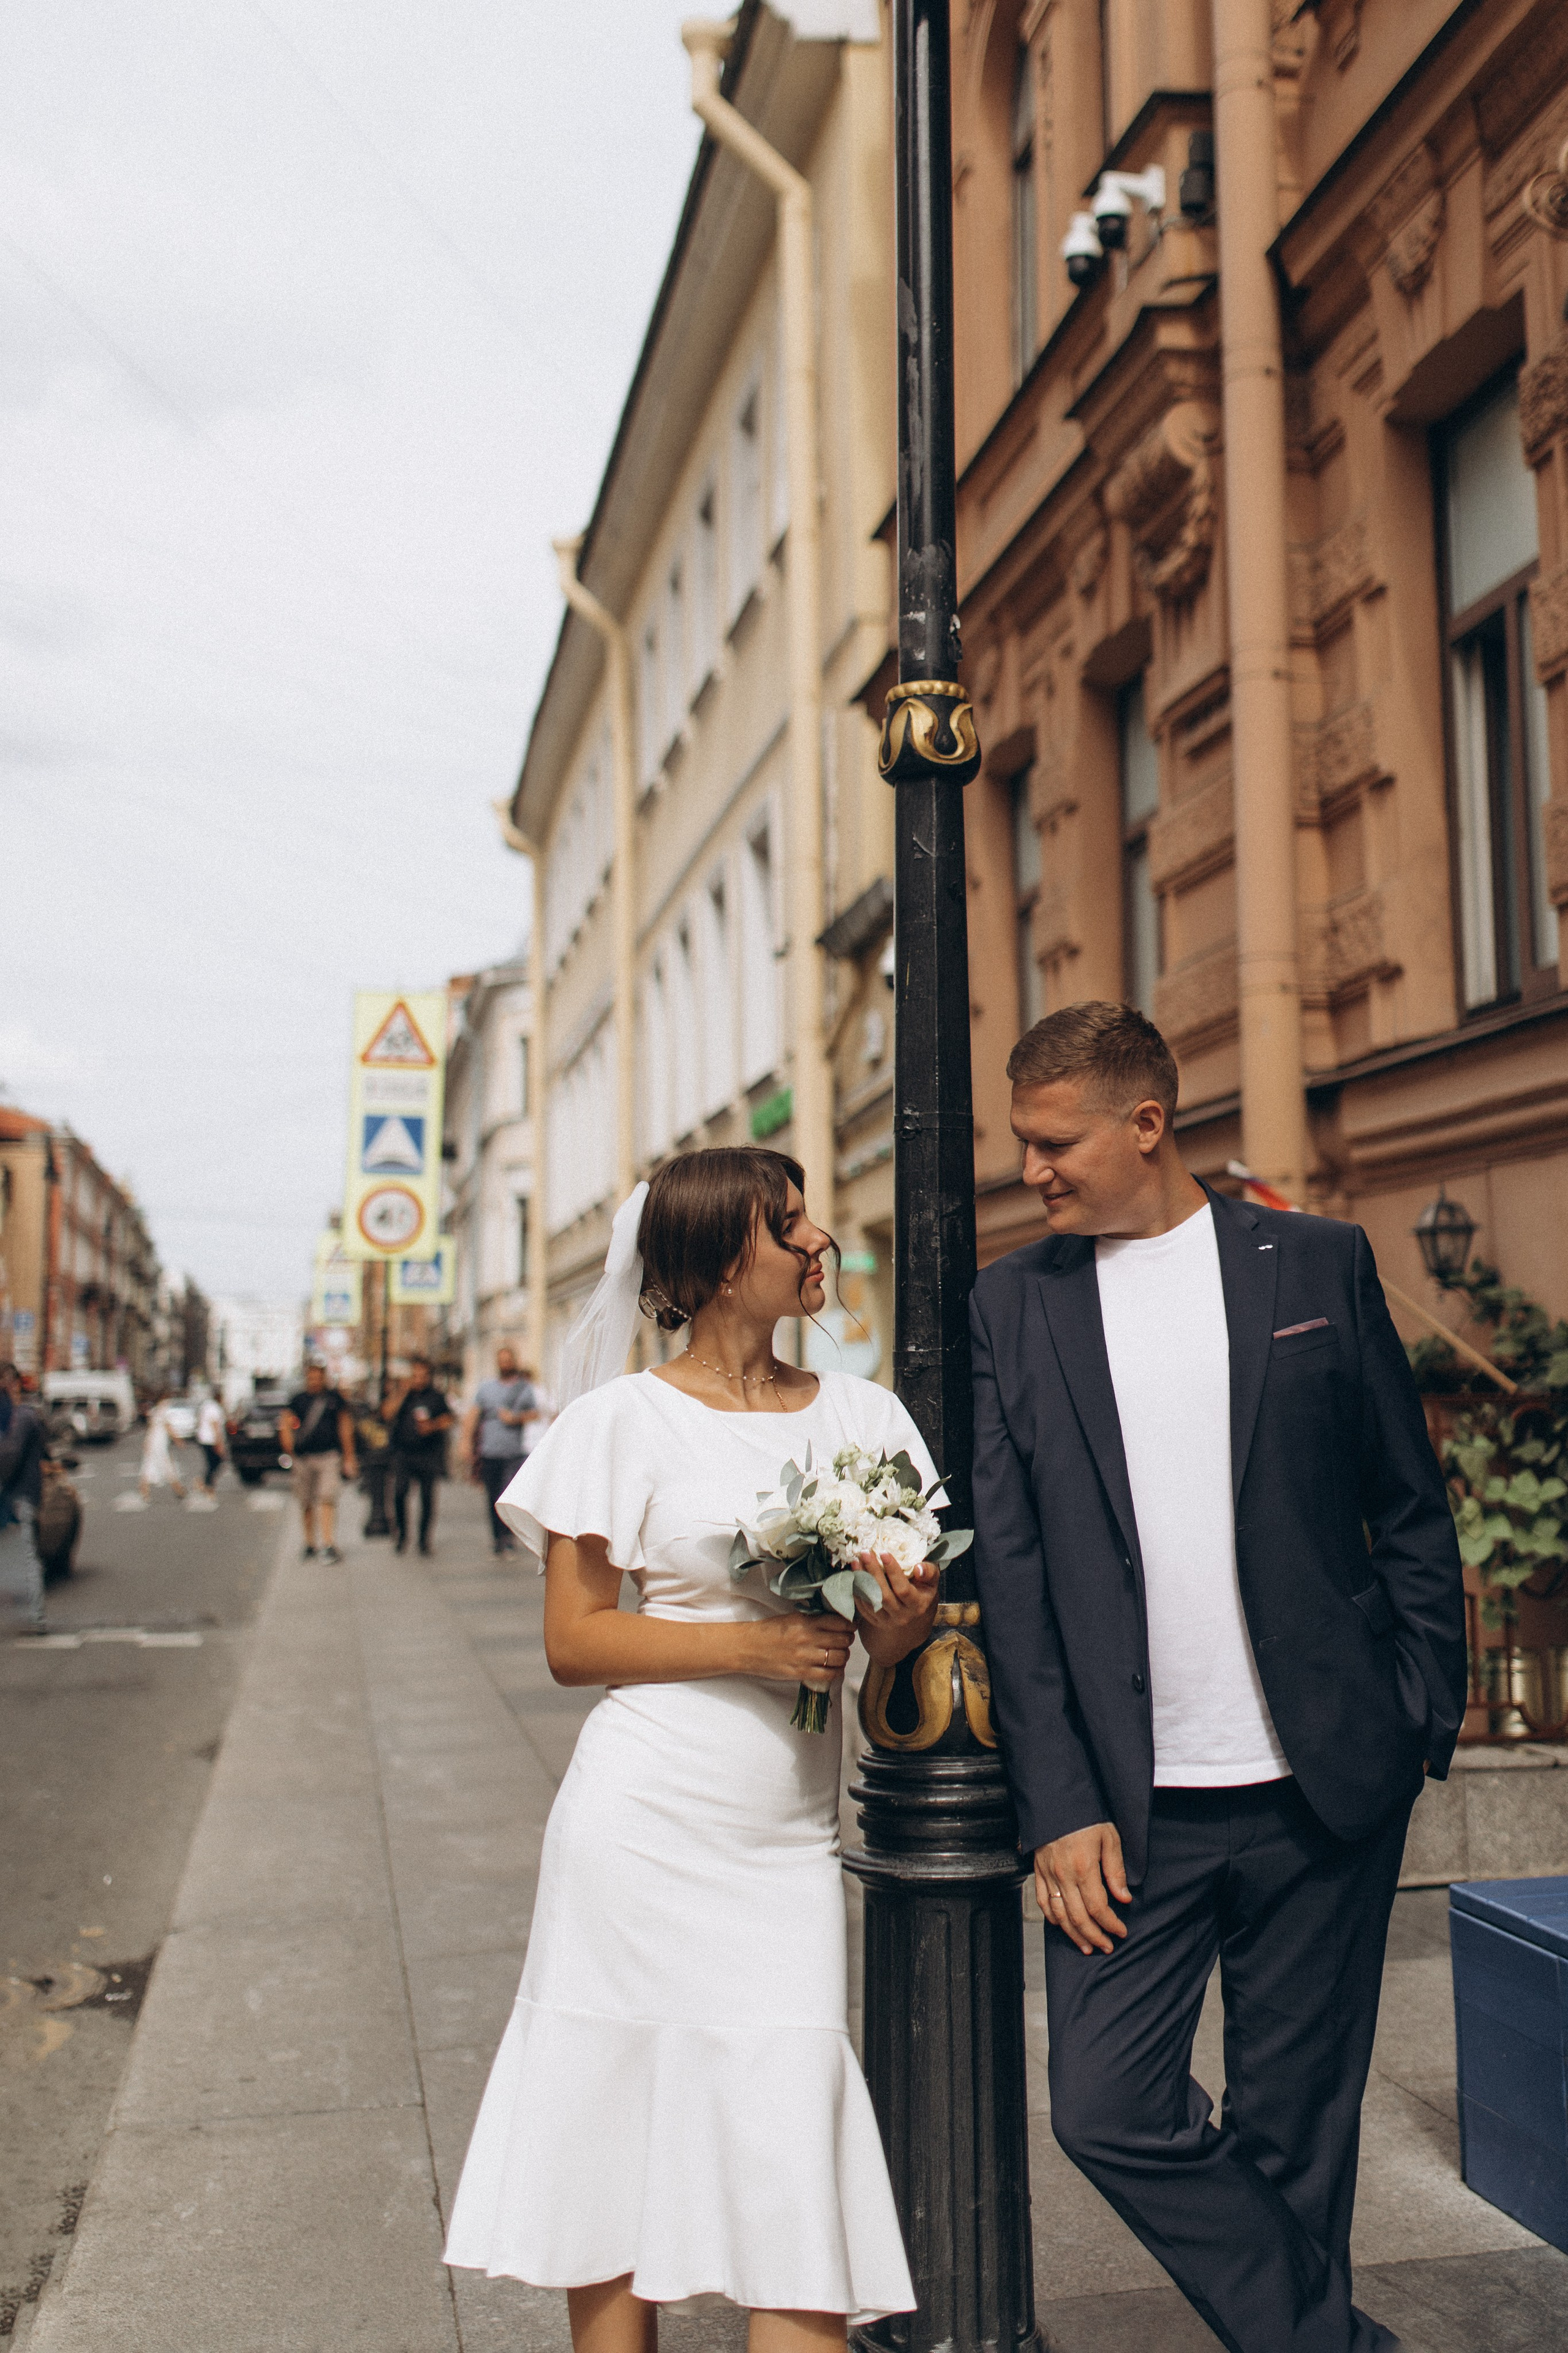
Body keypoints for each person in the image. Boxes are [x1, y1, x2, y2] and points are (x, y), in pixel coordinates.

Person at [968, 1002, 1466, 2353]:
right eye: (1020, 1143)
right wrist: (1055, 1802)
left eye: (1052, 1142)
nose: (1031, 1170)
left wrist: (1423, 1711)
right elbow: (1009, 1578)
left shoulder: (1311, 1263)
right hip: (1130, 1813)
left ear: (1145, 1123)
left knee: (1297, 2128)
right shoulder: (1012, 1303)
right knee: (1105, 2107)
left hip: (1322, 1783)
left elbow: (1405, 1505)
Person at [444, 1147, 941, 2341]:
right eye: (788, 1224)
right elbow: (575, 1640)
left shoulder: (866, 1417)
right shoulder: (618, 1421)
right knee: (610, 2151)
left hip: (781, 1847)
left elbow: (887, 1672)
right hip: (639, 1829)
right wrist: (754, 1651)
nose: (817, 1239)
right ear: (721, 1265)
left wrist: (900, 1627)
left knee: (791, 2179)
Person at [279, 1362, 358, 1565]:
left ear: (324, 1378)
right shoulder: (298, 1400)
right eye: (311, 1377)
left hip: (329, 1457)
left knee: (327, 1498)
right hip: (304, 1458)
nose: (314, 1381)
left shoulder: (334, 1399)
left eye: (318, 1377)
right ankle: (310, 1543)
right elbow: (285, 1423)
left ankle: (328, 1543)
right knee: (306, 1501)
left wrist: (349, 1456)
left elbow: (345, 1426)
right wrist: (289, 1447)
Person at [461, 1345, 537, 1554]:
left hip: (514, 1452)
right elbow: (474, 1415)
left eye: (508, 1360)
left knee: (509, 1497)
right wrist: (466, 1442)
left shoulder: (524, 1388)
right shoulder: (486, 1388)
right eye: (501, 1361)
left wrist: (516, 1418)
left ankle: (509, 1537)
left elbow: (535, 1413)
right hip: (490, 1451)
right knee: (493, 1496)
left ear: (514, 1361)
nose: (505, 1364)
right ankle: (497, 1538)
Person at [388, 1356, 454, 1557]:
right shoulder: (403, 1395)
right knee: (399, 1494)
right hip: (403, 1453)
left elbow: (449, 1419)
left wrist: (433, 1426)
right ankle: (402, 1534)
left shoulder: (436, 1396)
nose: (418, 1379)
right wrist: (402, 1393)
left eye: (422, 1375)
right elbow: (386, 1413)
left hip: (428, 1454)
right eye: (415, 1375)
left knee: (427, 1499)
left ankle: (424, 1540)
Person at [0, 1362, 47, 1629]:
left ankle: (35, 1616)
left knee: (26, 1555)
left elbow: (8, 1457)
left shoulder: (22, 1417)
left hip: (20, 1497)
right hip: (20, 1496)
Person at [138, 1391, 188, 1503]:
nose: (169, 1402)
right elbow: (168, 1428)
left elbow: (151, 1429)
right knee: (168, 1466)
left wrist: (147, 1442)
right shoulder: (163, 1412)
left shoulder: (155, 1411)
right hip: (159, 1445)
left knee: (148, 1466)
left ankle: (144, 1492)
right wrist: (178, 1440)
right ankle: (179, 1489)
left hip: (154, 1444)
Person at [195, 1386, 227, 1495]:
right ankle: (207, 1484)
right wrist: (220, 1443)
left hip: (203, 1438)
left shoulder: (206, 1406)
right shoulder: (215, 1408)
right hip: (211, 1440)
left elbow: (199, 1420)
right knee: (217, 1462)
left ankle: (205, 1483)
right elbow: (215, 1426)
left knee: (212, 1463)